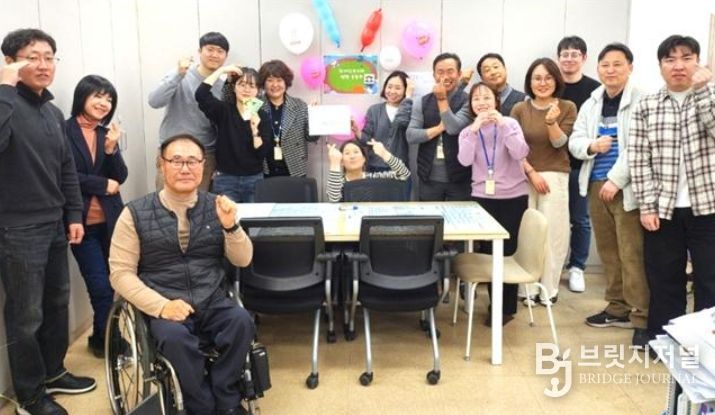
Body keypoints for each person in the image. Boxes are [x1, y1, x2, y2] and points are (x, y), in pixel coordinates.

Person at [109, 134, 255, 415]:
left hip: (211, 299)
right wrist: (162, 306)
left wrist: (231, 227)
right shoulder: (134, 214)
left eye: (192, 161)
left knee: (241, 322)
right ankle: (201, 405)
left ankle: (227, 399)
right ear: (161, 165)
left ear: (203, 166)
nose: (185, 168)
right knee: (175, 339)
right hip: (164, 302)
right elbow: (120, 274)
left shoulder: (217, 206)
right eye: (176, 161)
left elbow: (243, 259)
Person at [0, 28, 96, 415]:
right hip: (17, 229)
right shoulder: (5, 103)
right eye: (32, 57)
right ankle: (30, 396)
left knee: (57, 303)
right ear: (11, 62)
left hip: (55, 223)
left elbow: (66, 169)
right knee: (26, 316)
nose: (43, 65)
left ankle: (53, 371)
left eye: (49, 57)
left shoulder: (53, 112)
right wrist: (4, 88)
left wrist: (73, 214)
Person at [628, 35, 715, 346]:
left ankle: (705, 347)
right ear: (660, 65)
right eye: (670, 59)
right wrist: (647, 206)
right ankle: (665, 341)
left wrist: (703, 92)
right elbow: (639, 159)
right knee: (665, 278)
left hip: (708, 206)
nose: (679, 65)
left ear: (698, 61)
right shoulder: (646, 106)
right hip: (663, 209)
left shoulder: (710, 97)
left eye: (686, 58)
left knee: (709, 279)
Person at [568, 43, 649, 348]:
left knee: (632, 253)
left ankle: (642, 316)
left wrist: (616, 179)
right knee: (609, 252)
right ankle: (617, 307)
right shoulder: (592, 102)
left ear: (630, 67)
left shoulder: (643, 100)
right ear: (598, 68)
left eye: (617, 64)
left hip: (627, 188)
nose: (611, 70)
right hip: (595, 185)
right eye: (605, 65)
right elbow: (575, 140)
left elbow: (640, 146)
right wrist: (591, 146)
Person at [66, 74, 128, 357]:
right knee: (100, 286)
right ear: (83, 96)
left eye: (109, 99)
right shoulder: (63, 130)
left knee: (114, 284)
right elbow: (64, 175)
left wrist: (111, 149)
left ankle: (101, 336)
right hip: (81, 224)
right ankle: (110, 340)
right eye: (98, 96)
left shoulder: (106, 134)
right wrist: (102, 184)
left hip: (112, 222)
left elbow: (120, 177)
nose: (104, 103)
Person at [457, 82, 530, 325]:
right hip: (483, 198)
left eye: (486, 97)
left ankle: (505, 309)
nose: (482, 102)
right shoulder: (468, 131)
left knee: (508, 253)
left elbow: (520, 153)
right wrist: (474, 130)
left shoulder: (510, 124)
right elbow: (464, 160)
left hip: (513, 197)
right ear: (471, 105)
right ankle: (494, 303)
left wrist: (503, 126)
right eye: (476, 99)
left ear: (496, 101)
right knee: (488, 252)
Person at [511, 58, 577, 306]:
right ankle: (526, 289)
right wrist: (531, 173)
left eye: (548, 78)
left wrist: (551, 122)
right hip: (524, 175)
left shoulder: (567, 107)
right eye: (537, 78)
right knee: (527, 234)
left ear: (556, 80)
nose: (542, 83)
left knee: (553, 234)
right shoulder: (520, 109)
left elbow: (560, 143)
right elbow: (512, 147)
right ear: (529, 81)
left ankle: (548, 289)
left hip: (555, 177)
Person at [148, 32, 230, 191]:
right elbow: (154, 101)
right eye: (210, 49)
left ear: (226, 57)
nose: (214, 55)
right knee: (166, 202)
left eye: (220, 51)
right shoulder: (180, 74)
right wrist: (178, 75)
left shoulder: (223, 87)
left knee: (199, 204)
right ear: (200, 51)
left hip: (205, 155)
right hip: (172, 152)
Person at [557, 36, 601, 293]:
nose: (569, 59)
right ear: (558, 58)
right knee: (551, 219)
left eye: (575, 54)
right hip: (553, 165)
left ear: (584, 58)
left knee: (580, 219)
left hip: (581, 164)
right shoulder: (551, 85)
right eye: (565, 54)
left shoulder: (595, 90)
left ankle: (577, 267)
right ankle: (551, 265)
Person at [196, 65, 270, 202]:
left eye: (252, 86)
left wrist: (255, 129)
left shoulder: (262, 116)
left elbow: (262, 153)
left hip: (253, 179)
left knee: (255, 216)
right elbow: (201, 94)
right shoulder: (223, 111)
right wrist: (221, 70)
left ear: (258, 91)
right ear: (234, 87)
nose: (246, 89)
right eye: (242, 84)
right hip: (226, 179)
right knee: (225, 216)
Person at [406, 52, 472, 201]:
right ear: (434, 75)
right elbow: (411, 135)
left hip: (460, 176)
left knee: (459, 215)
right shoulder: (421, 102)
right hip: (428, 176)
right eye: (440, 72)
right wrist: (439, 128)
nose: (445, 77)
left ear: (459, 74)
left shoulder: (468, 101)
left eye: (450, 71)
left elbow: (453, 128)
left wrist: (441, 99)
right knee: (429, 215)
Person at [258, 59, 319, 178]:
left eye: (279, 80)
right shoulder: (256, 105)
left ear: (286, 82)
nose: (275, 85)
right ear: (263, 83)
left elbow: (311, 138)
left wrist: (315, 117)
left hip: (295, 170)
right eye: (270, 80)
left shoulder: (299, 106)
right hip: (263, 169)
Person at [355, 70, 414, 171]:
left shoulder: (409, 109)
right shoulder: (374, 110)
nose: (392, 91)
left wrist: (408, 97)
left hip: (399, 168)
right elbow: (367, 141)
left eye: (398, 88)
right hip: (375, 167)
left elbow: (402, 122)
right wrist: (357, 131)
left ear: (405, 90)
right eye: (389, 87)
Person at [326, 139, 410, 202]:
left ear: (364, 159)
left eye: (356, 152)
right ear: (342, 162)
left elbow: (404, 174)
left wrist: (385, 154)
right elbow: (333, 199)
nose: (352, 156)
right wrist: (335, 163)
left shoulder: (374, 177)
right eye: (347, 153)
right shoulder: (338, 182)